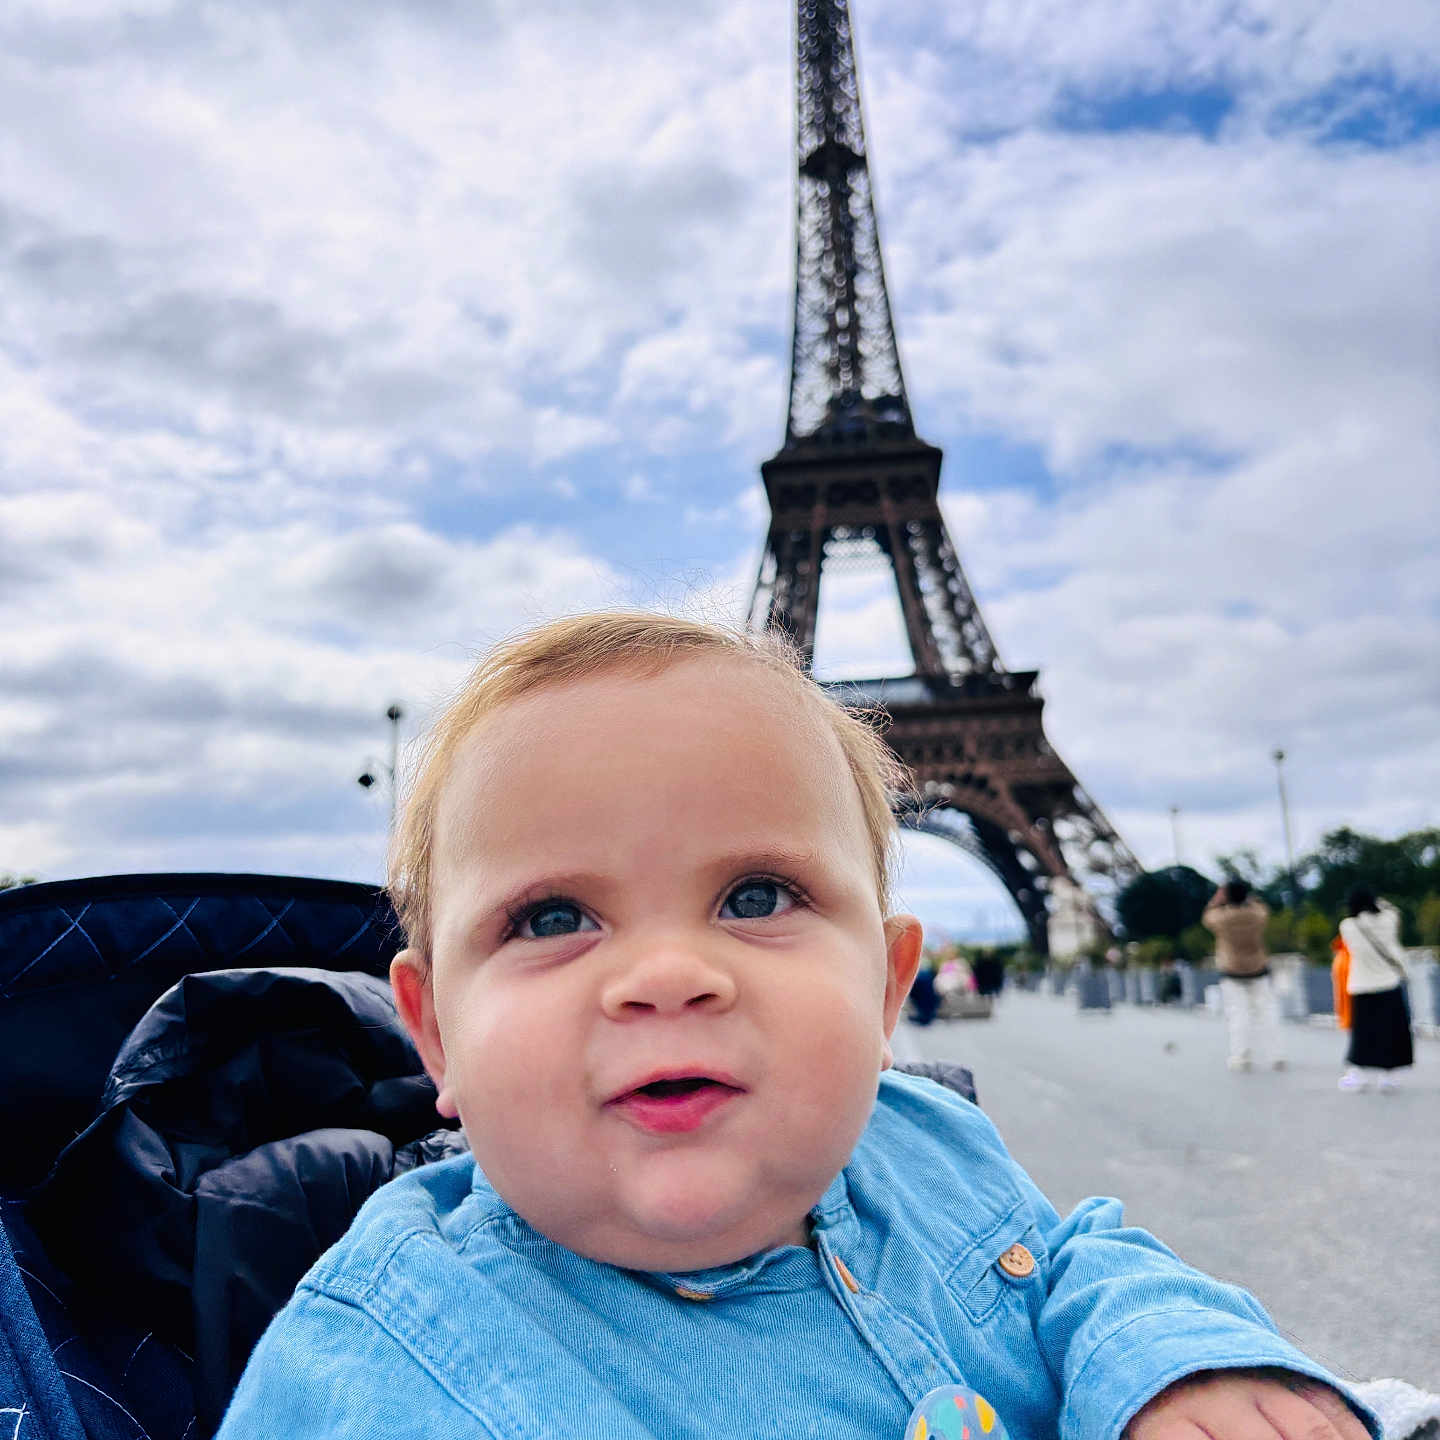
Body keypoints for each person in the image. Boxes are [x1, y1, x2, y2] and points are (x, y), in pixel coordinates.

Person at [218, 613, 1372, 1440]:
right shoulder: (378, 1369)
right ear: (437, 1037)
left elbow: (1073, 1262)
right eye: (555, 916)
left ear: (886, 992)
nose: (667, 976)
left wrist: (1175, 1364)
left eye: (757, 897)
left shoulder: (927, 1141)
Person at [1203, 880, 1285, 1072]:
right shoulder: (1256, 915)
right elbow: (1263, 908)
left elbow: (1207, 916)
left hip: (1232, 970)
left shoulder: (1222, 918)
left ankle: (1241, 1056)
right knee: (1267, 1013)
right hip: (1258, 968)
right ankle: (1276, 1054)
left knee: (1238, 1015)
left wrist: (1217, 899)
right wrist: (1250, 897)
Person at [1337, 889, 1413, 1093]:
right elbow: (1393, 910)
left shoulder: (1348, 926)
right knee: (1390, 1033)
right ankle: (1388, 1077)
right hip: (1389, 985)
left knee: (1363, 1035)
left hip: (1362, 986)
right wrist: (1380, 903)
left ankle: (1357, 1075)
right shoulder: (1389, 920)